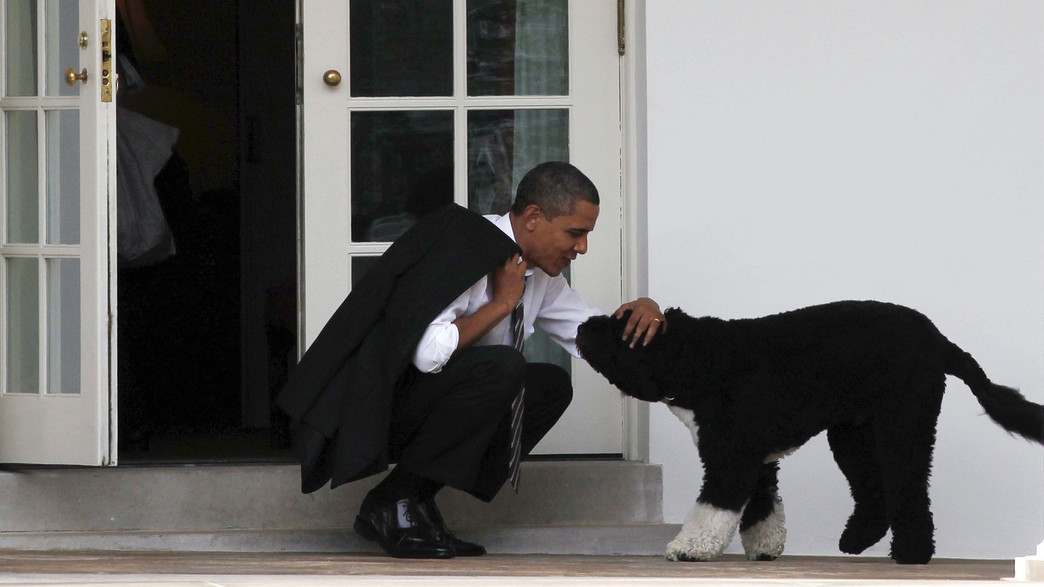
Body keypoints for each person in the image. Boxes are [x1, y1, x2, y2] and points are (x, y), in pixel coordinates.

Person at [278, 161, 666, 559]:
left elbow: (591, 338)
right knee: (502, 366)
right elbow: (428, 354)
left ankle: (408, 496)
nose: (582, 247)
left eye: (586, 235)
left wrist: (648, 314)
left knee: (550, 385)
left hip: (436, 408)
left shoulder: (541, 276)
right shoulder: (465, 244)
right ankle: (396, 502)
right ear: (534, 217)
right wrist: (501, 304)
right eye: (575, 233)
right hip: (375, 413)